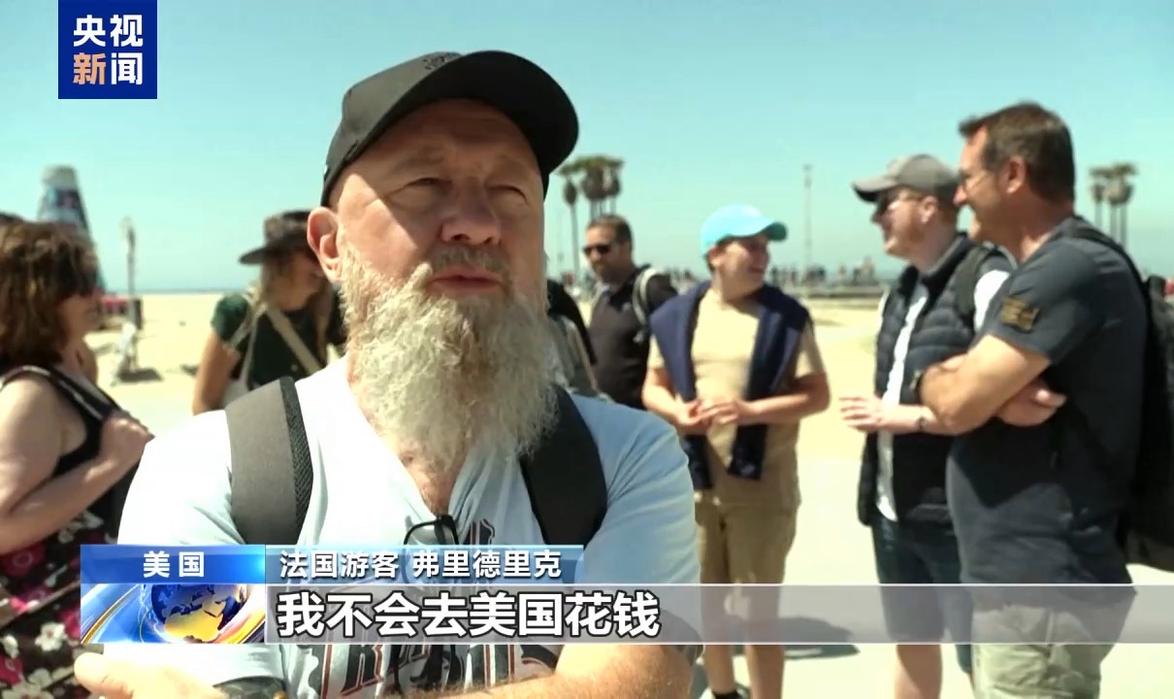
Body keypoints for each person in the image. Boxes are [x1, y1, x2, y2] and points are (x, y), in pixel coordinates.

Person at [74, 50, 699, 698]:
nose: (478, 224)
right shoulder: (197, 472)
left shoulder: (631, 460)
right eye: (424, 184)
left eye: (510, 193)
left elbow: (635, 684)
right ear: (330, 245)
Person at [916, 102, 1144, 697]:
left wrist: (956, 385)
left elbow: (956, 403)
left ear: (1013, 174)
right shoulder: (1040, 269)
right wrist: (956, 383)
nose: (959, 196)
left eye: (968, 178)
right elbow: (951, 388)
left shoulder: (1068, 267)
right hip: (1019, 584)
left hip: (1042, 590)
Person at [642, 204, 830, 699]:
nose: (762, 256)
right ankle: (724, 692)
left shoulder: (787, 318)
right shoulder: (676, 317)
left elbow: (817, 396)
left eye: (766, 247)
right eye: (751, 245)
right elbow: (653, 386)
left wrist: (750, 411)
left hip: (762, 491)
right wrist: (677, 413)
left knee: (758, 617)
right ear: (715, 254)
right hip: (696, 488)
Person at [843, 155, 1012, 698]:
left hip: (959, 519)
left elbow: (1016, 399)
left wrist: (907, 417)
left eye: (885, 204)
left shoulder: (986, 279)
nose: (877, 218)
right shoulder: (900, 290)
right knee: (912, 643)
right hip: (894, 511)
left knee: (984, 662)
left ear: (928, 206)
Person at [0, 221, 153, 698]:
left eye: (92, 278)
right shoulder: (31, 393)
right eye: (76, 283)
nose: (94, 293)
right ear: (37, 296)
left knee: (302, 603)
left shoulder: (71, 371)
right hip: (75, 610)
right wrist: (107, 463)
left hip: (115, 589)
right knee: (296, 604)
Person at [190, 210, 346, 414]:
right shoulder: (239, 314)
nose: (322, 265)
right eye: (311, 253)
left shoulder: (329, 310)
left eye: (326, 252)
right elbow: (203, 404)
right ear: (280, 260)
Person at [585, 215, 679, 409]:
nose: (594, 257)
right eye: (588, 251)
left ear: (626, 247)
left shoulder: (651, 288)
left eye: (603, 249)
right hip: (605, 417)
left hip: (644, 419)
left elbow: (681, 343)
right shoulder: (600, 296)